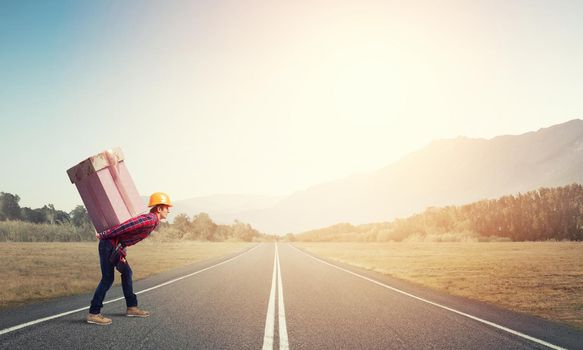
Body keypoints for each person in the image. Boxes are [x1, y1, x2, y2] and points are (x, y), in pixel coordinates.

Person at [86, 192, 172, 325]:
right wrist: (105, 234)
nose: (169, 210)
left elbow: (127, 235)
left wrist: (122, 250)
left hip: (115, 247)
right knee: (107, 279)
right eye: (167, 207)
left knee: (127, 273)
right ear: (159, 208)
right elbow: (126, 226)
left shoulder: (153, 221)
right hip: (108, 244)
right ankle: (94, 313)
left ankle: (131, 307)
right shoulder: (149, 219)